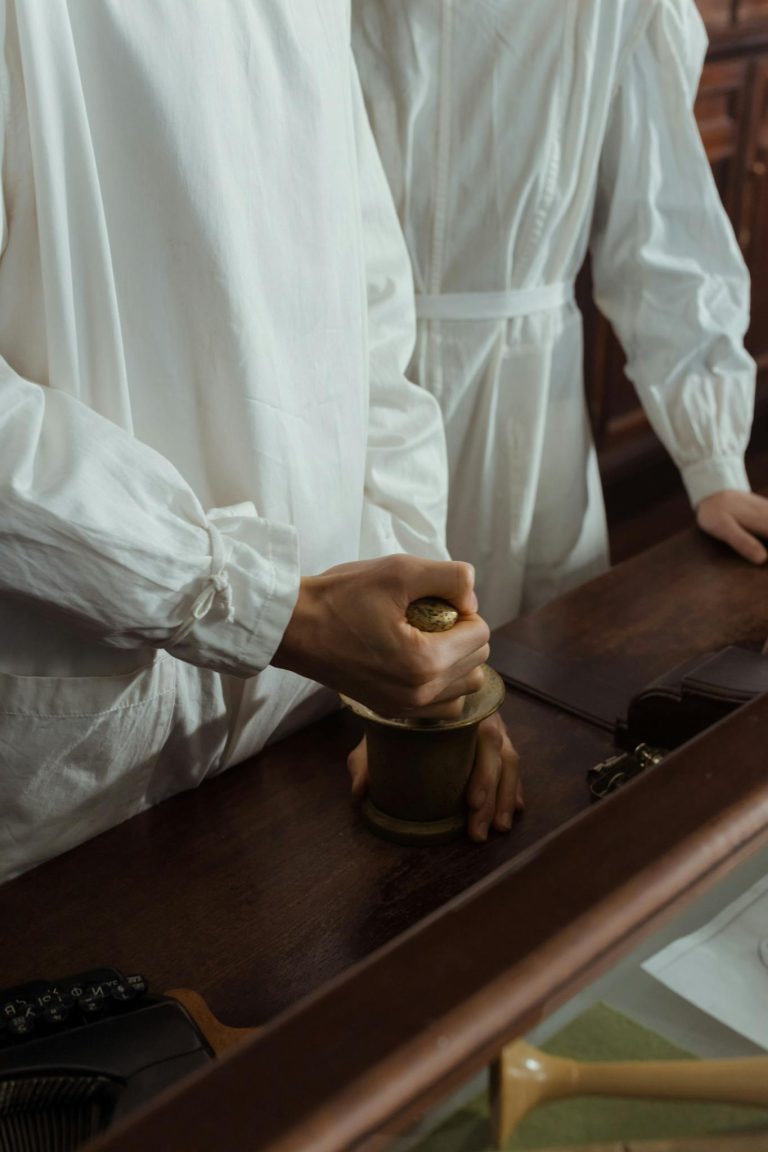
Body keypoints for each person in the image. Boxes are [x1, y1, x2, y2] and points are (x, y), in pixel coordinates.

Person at [0, 2, 520, 882]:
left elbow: (368, 323)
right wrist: (266, 606)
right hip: (69, 793)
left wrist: (422, 680)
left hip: (301, 733)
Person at [352, 0, 768, 631]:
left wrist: (712, 460)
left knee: (532, 658)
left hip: (527, 396)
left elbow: (659, 223)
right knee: (348, 659)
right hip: (350, 381)